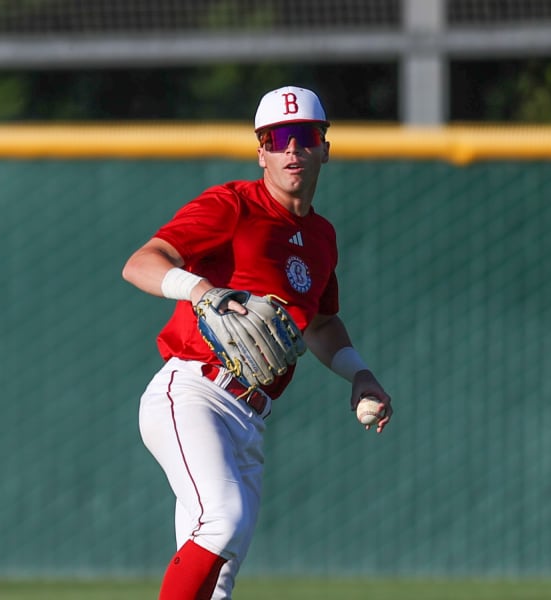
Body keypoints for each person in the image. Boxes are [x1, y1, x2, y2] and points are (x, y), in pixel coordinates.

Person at [122, 85, 393, 600]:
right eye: (277, 137)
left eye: (304, 136)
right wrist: (201, 291)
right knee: (223, 519)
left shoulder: (322, 237)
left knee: (218, 579)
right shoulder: (233, 205)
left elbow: (321, 324)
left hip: (250, 416)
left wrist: (359, 373)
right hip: (194, 392)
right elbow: (141, 263)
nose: (291, 149)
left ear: (324, 148)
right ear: (261, 151)